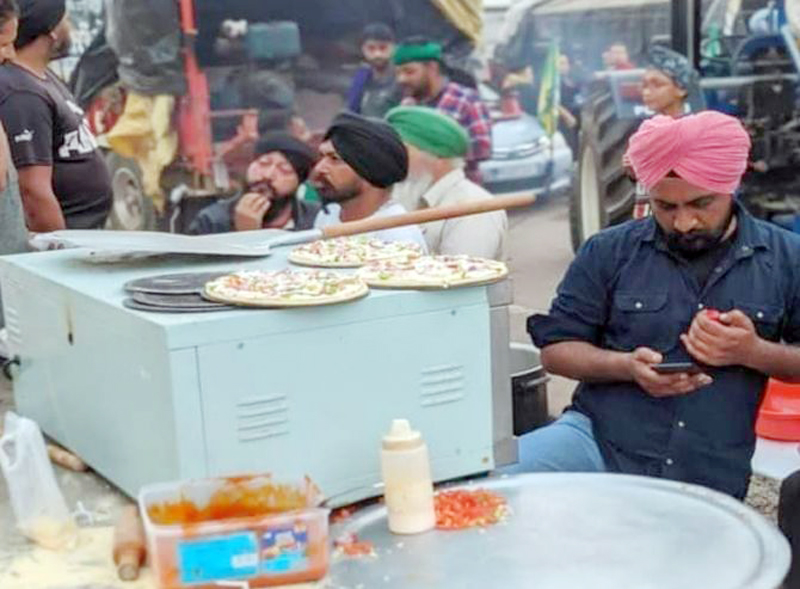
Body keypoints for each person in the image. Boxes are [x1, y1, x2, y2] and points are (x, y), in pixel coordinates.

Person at [513, 111, 800, 500]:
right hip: (599, 443)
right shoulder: (608, 251)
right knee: (490, 485)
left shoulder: (786, 258)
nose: (684, 223)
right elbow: (556, 351)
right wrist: (626, 366)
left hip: (706, 472)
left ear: (732, 186)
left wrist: (753, 352)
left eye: (701, 203)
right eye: (665, 207)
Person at [0, 0, 111, 231]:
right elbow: (32, 191)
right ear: (51, 32)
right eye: (65, 20)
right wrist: (61, 246)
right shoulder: (21, 93)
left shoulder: (40, 77)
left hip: (85, 233)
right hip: (65, 239)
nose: (70, 26)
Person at [386, 106, 506, 259]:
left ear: (437, 156)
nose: (395, 159)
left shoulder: (473, 209)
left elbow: (463, 272)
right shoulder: (406, 194)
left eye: (403, 151)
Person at [311, 111, 426, 249]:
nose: (319, 168)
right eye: (321, 156)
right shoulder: (328, 215)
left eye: (335, 159)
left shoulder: (398, 236)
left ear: (368, 169)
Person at [393, 38, 491, 184]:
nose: (401, 79)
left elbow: (482, 149)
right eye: (398, 73)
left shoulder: (466, 100)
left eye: (409, 72)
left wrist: (437, 151)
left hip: (461, 188)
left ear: (432, 68)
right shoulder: (407, 106)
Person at [189, 133, 320, 235]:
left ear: (299, 183)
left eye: (284, 170)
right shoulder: (211, 221)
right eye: (263, 163)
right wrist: (243, 235)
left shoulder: (316, 219)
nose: (268, 175)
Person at [632, 45, 703, 218]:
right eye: (644, 85)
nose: (647, 92)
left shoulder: (694, 134)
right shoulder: (645, 134)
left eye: (657, 84)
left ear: (681, 89)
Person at [346, 23, 401, 118]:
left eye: (383, 48)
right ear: (363, 50)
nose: (377, 54)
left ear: (394, 48)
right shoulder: (361, 78)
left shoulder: (401, 78)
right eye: (371, 48)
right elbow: (351, 111)